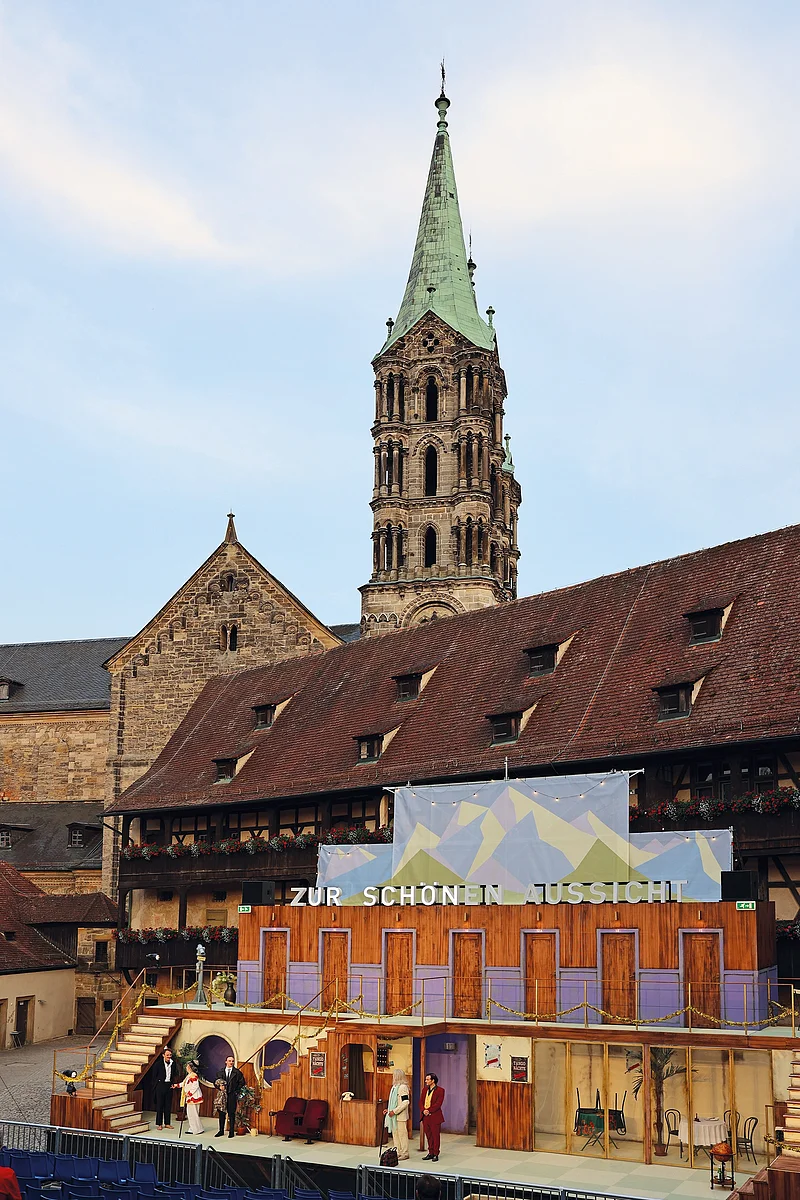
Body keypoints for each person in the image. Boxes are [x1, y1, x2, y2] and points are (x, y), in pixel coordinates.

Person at [214, 1054, 245, 1137]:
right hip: (222, 1095)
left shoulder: (237, 1072)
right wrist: (219, 1087)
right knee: (221, 1113)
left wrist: (235, 1090)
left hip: (232, 1095)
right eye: (229, 1061)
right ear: (226, 1062)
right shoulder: (220, 1072)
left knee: (231, 1113)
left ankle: (231, 1131)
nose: (231, 1062)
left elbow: (242, 1082)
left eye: (232, 1061)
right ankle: (221, 1130)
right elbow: (215, 1082)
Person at [384, 1067, 411, 1160]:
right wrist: (388, 1110)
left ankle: (405, 1153)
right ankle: (398, 1151)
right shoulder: (394, 1087)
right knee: (395, 1134)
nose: (393, 1077)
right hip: (393, 1116)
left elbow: (405, 1102)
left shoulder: (403, 1087)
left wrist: (394, 1111)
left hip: (400, 1116)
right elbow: (392, 1102)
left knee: (402, 1134)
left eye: (394, 1076)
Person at [152, 1047, 181, 1130]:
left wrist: (172, 1083)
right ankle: (159, 1124)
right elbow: (154, 1076)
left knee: (168, 1105)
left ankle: (167, 1123)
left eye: (170, 1055)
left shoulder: (173, 1063)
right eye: (167, 1055)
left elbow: (174, 1074)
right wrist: (157, 1085)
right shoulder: (158, 1064)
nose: (169, 1056)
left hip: (169, 1085)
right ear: (163, 1055)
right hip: (160, 1085)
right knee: (160, 1105)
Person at [419, 1071, 445, 1162]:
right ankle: (430, 1152)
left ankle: (436, 1153)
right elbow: (421, 1102)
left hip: (434, 1116)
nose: (426, 1081)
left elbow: (438, 1104)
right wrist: (423, 1110)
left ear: (433, 1080)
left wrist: (429, 1110)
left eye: (428, 1079)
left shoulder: (440, 1090)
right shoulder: (424, 1090)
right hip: (425, 1116)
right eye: (426, 1079)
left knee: (435, 1136)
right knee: (429, 1135)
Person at [180, 1061, 205, 1135]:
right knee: (193, 1114)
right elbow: (184, 1083)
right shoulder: (190, 1075)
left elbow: (195, 1086)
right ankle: (196, 1128)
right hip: (192, 1096)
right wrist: (176, 1085)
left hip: (193, 1097)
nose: (186, 1068)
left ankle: (195, 1129)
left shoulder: (193, 1076)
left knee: (192, 1114)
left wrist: (190, 1093)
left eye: (187, 1066)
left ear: (190, 1068)